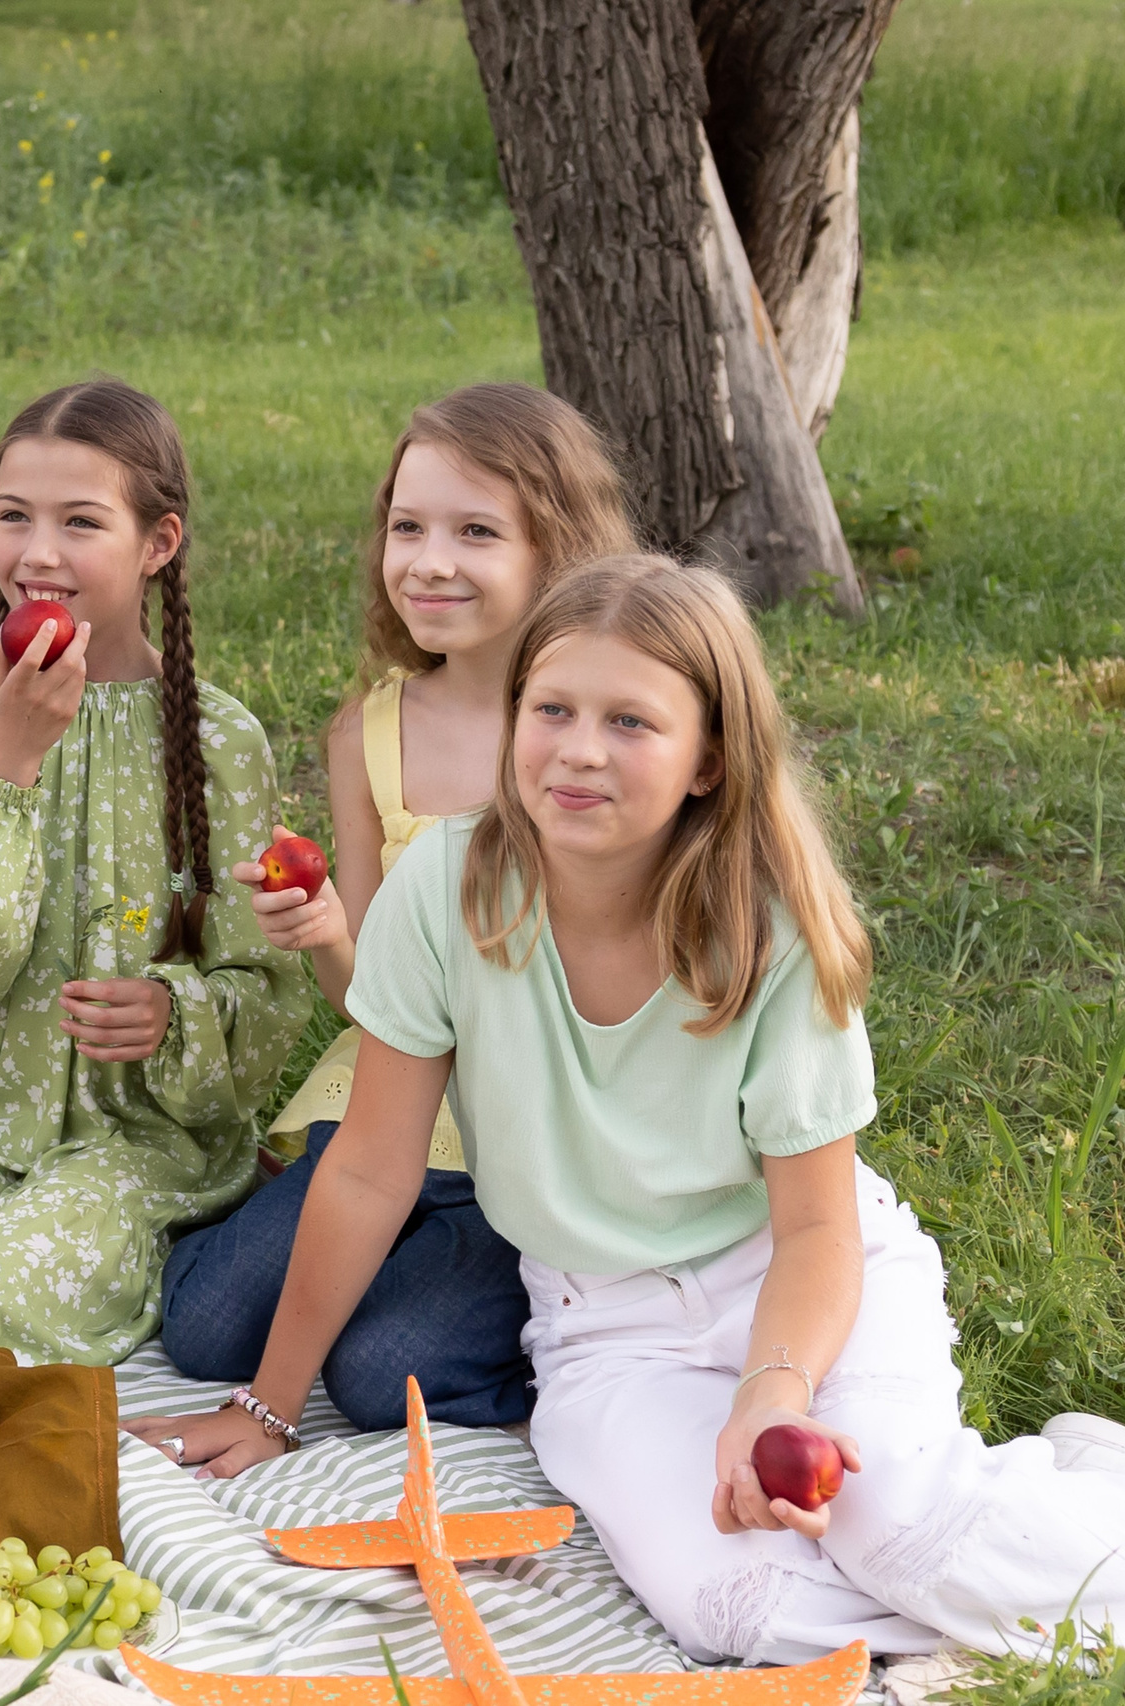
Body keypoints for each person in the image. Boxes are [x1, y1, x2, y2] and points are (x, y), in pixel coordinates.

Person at [126, 556, 1125, 1663]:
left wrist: (771, 1393)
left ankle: (1050, 1506)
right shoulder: (446, 890)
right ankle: (1035, 1520)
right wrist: (268, 1406)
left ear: (707, 759)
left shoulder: (769, 927)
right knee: (737, 1611)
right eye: (550, 708)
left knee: (897, 1530)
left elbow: (816, 1227)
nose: (579, 748)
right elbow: (367, 1168)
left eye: (631, 721)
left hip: (790, 1286)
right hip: (605, 1328)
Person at [156, 385, 637, 1429]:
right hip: (384, 1111)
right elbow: (370, 1003)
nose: (429, 560)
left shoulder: (588, 743)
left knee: (384, 1375)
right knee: (201, 1325)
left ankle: (504, 1315)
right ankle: (328, 1233)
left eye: (475, 531)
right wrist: (331, 929)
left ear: (558, 547)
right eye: (407, 526)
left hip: (528, 1140)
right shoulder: (366, 733)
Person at [0, 378, 314, 1367]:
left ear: (158, 543)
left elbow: (269, 995)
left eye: (79, 521)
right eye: (13, 516)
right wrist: (12, 761)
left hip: (147, 1136)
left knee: (8, 1300)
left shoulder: (219, 740)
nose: (36, 553)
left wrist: (173, 1016)